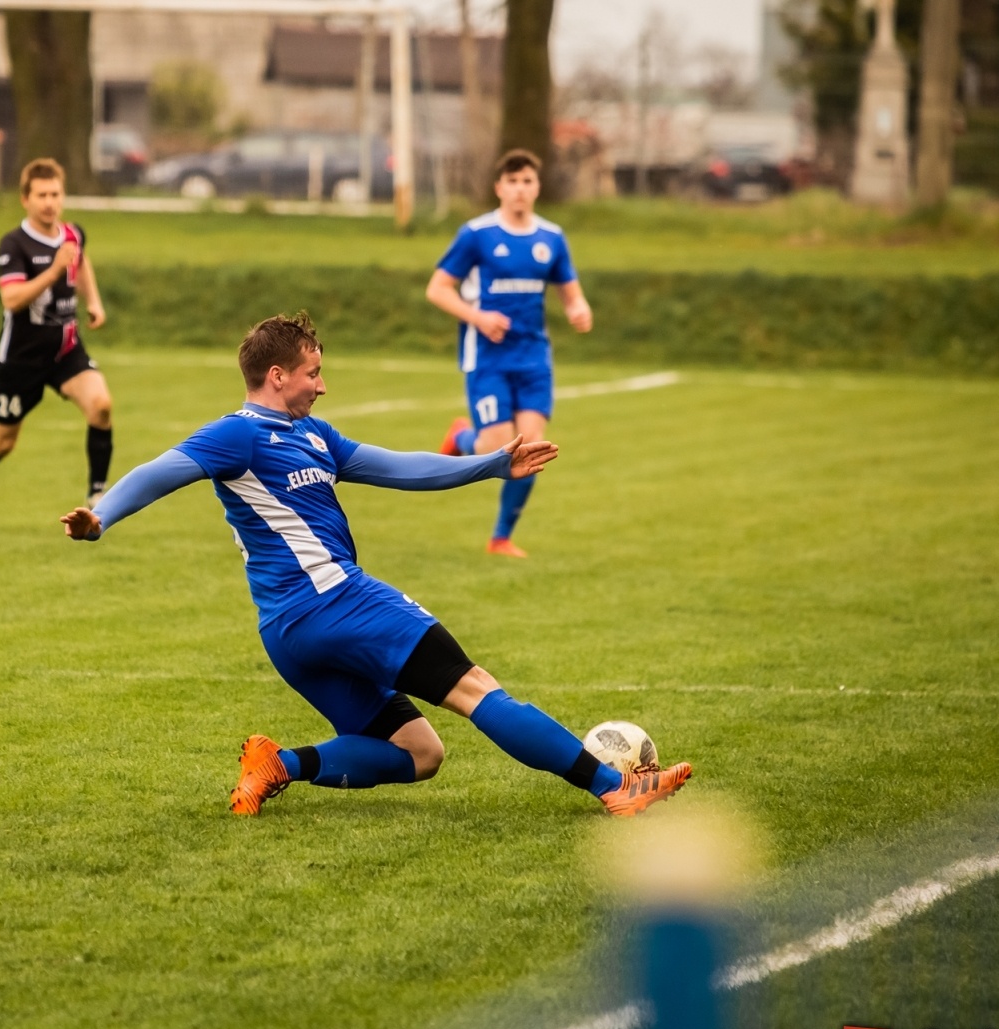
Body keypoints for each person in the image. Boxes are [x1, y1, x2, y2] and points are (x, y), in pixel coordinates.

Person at [60, 312, 689, 817]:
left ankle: (280, 763)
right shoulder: (239, 434)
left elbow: (402, 467)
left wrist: (491, 464)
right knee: (476, 689)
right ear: (277, 375)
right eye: (313, 373)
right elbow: (160, 471)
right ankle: (614, 785)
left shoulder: (316, 436)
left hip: (291, 632)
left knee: (420, 752)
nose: (322, 384)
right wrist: (102, 515)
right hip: (339, 603)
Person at [425, 148, 593, 558]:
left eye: (527, 181)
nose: (520, 189)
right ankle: (462, 437)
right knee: (495, 446)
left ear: (537, 188)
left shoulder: (551, 238)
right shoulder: (476, 234)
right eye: (512, 181)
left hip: (534, 358)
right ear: (499, 188)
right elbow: (437, 289)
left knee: (531, 448)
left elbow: (571, 293)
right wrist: (478, 317)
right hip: (487, 357)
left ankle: (500, 538)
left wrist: (579, 308)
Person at [0, 157, 112, 531]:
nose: (49, 202)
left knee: (101, 406)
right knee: (3, 441)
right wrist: (54, 270)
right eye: (41, 195)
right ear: (25, 198)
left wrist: (94, 301)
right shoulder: (15, 243)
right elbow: (11, 299)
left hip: (65, 350)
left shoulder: (73, 235)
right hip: (21, 359)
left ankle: (98, 496)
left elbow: (80, 262)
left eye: (55, 193)